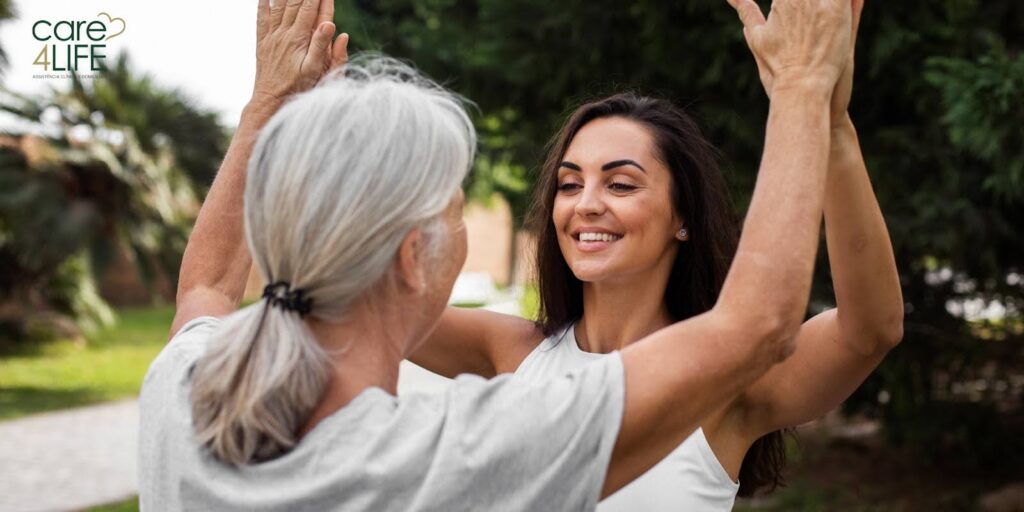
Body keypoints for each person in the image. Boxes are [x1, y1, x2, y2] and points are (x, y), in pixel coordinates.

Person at [138, 0, 855, 509]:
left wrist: (271, 99)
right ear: (415, 257)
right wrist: (802, 87)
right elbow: (757, 325)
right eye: (456, 205)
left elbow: (205, 284)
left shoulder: (185, 383)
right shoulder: (445, 462)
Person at [409, 0, 903, 509]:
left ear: (682, 218)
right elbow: (351, 304)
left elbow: (870, 330)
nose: (587, 205)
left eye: (621, 184)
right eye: (570, 183)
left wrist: (833, 124)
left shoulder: (724, 380)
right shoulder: (512, 352)